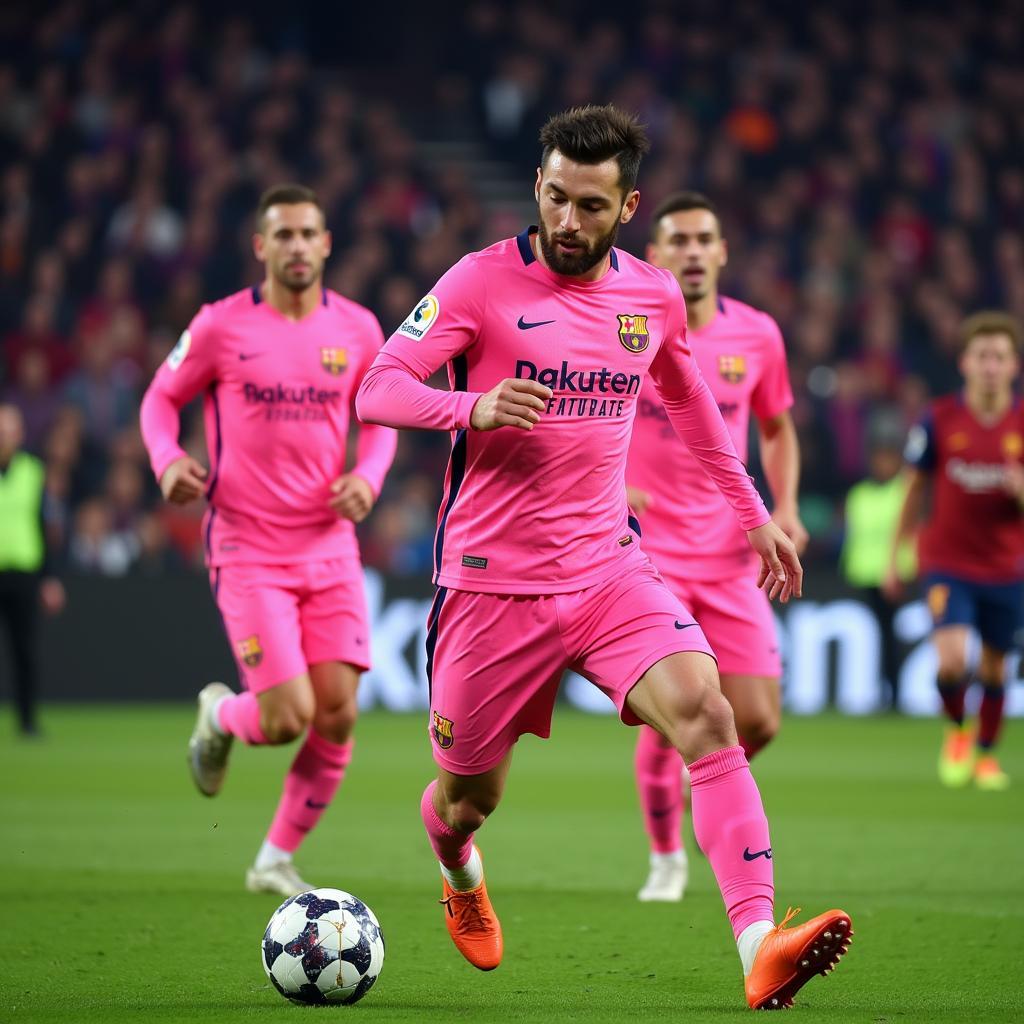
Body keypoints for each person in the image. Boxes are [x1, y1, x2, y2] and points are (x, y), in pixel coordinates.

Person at [357, 106, 851, 1011]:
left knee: (709, 712)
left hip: (608, 571)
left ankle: (759, 945)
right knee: (467, 798)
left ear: (627, 206)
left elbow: (695, 407)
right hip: (489, 587)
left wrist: (754, 516)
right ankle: (460, 868)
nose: (568, 223)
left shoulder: (651, 296)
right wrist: (471, 410)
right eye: (555, 198)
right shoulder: (476, 283)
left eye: (590, 205)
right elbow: (377, 388)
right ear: (538, 189)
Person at [140, 184, 397, 895]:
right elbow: (160, 398)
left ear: (326, 244)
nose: (295, 246)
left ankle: (273, 858)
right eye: (281, 234)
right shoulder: (222, 326)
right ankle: (221, 713)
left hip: (330, 546)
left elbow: (379, 419)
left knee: (338, 711)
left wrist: (368, 479)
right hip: (248, 546)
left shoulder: (359, 329)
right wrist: (167, 461)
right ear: (260, 246)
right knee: (288, 717)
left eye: (307, 233)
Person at [625, 191, 807, 903]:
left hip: (734, 552)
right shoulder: (628, 329)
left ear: (722, 253)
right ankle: (666, 855)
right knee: (682, 700)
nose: (694, 252)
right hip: (651, 553)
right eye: (679, 241)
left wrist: (785, 506)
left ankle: (687, 779)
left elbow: (778, 428)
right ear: (657, 255)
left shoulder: (758, 335)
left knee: (759, 718)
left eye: (706, 240)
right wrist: (610, 487)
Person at [885, 311, 1024, 791]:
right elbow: (913, 488)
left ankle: (986, 756)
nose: (990, 365)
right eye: (982, 356)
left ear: (1013, 366)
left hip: (1006, 566)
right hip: (947, 562)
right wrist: (894, 554)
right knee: (951, 659)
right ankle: (957, 730)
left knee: (993, 666)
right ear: (965, 362)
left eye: (999, 357)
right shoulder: (940, 418)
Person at [0, 403, 65, 736]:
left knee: (25, 651)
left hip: (24, 573)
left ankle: (27, 721)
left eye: (10, 430)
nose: (5, 437)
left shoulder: (32, 471)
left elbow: (44, 525)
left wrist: (49, 578)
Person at [842, 431, 917, 709]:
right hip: (864, 574)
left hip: (897, 574)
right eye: (879, 458)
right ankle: (884, 693)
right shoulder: (859, 494)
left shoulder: (905, 490)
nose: (883, 464)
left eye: (888, 458)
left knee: (891, 636)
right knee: (878, 636)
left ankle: (895, 694)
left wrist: (897, 568)